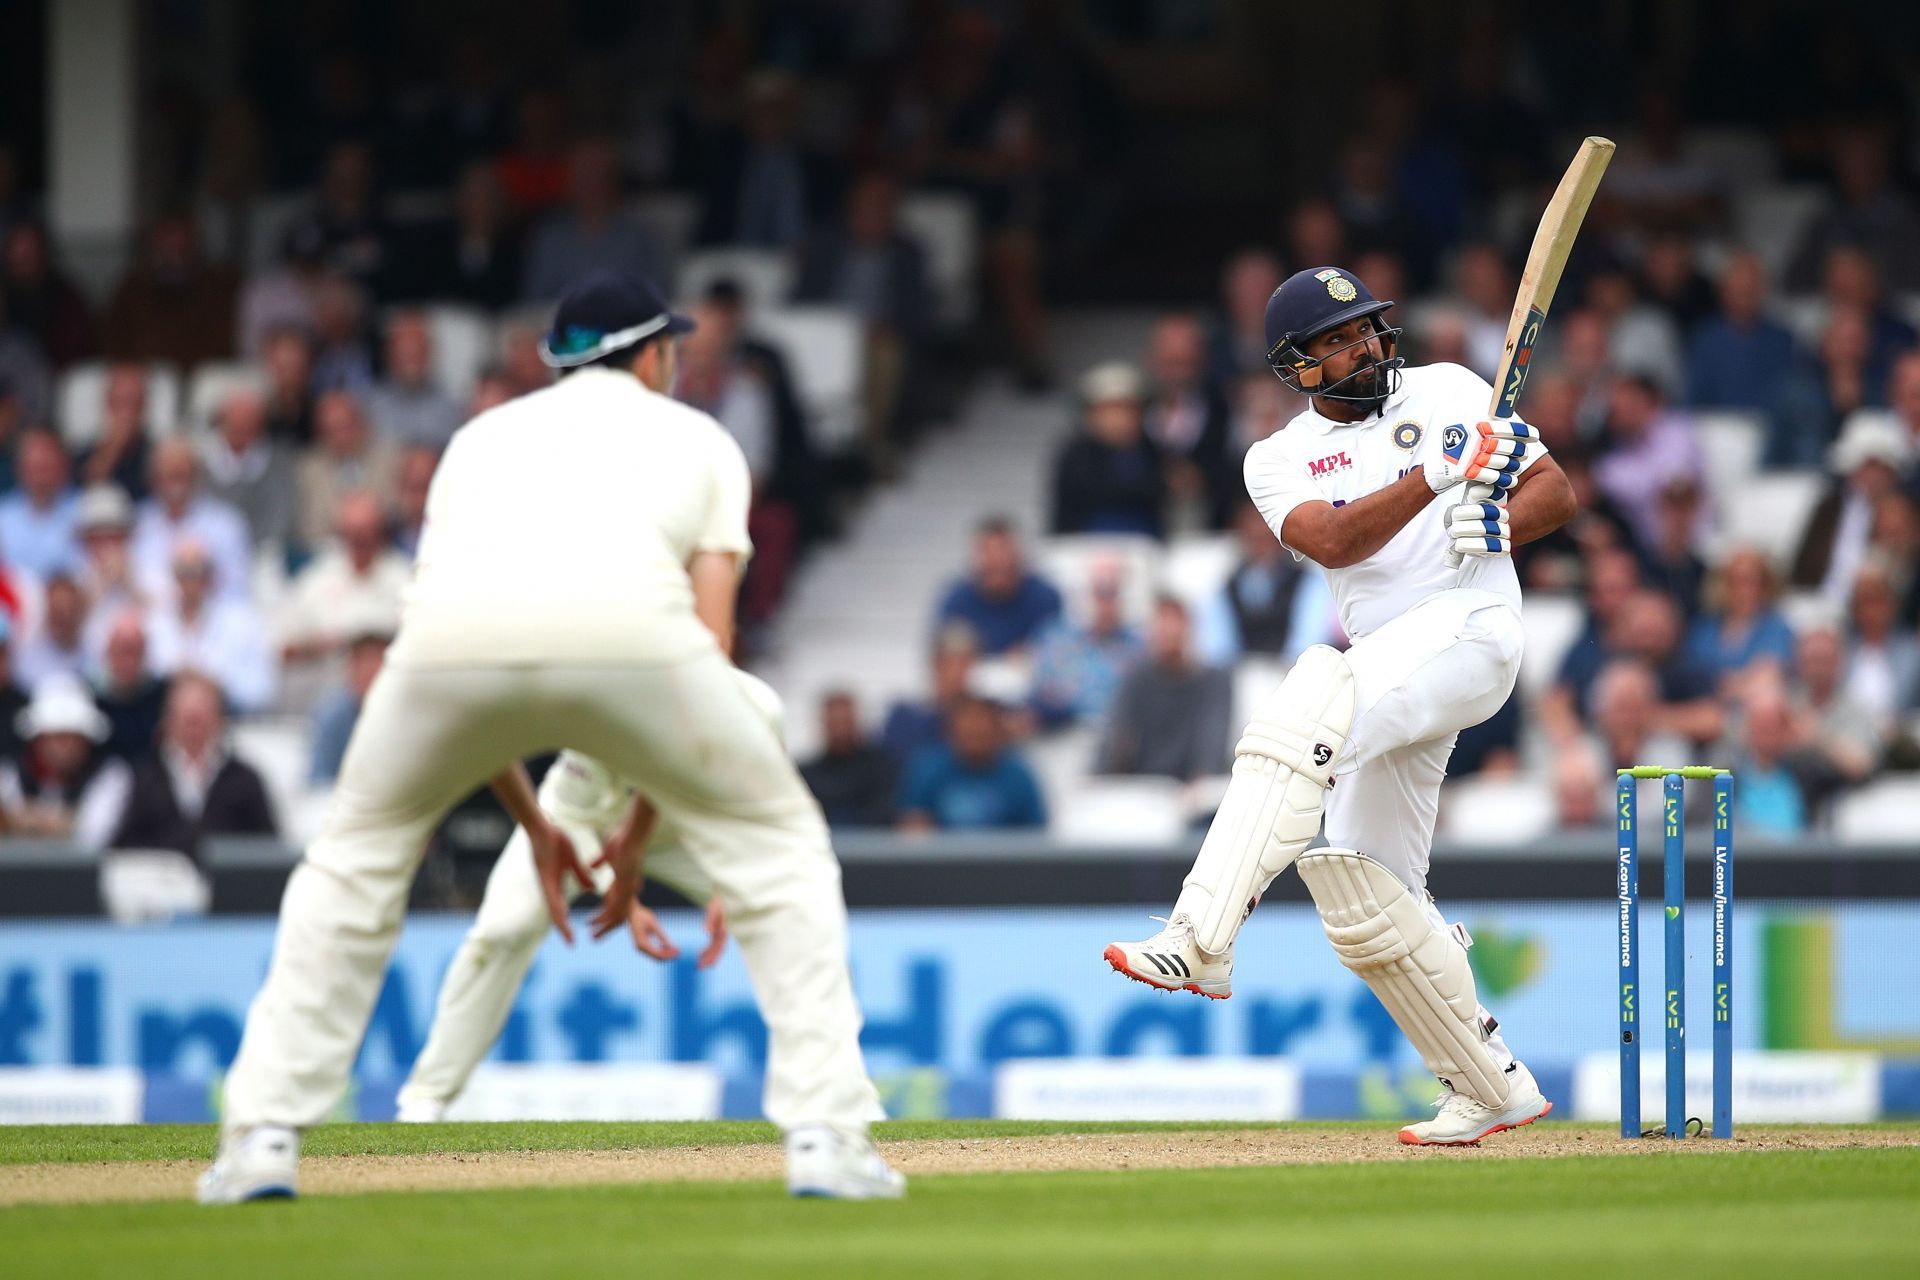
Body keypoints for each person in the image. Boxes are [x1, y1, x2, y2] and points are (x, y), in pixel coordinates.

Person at [198, 271, 902, 1204]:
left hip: (449, 654)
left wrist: (537, 824)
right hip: (637, 647)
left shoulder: (475, 440)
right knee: (784, 857)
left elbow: (469, 636)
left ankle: (260, 1139)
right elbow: (714, 639)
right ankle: (825, 1134)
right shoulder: (699, 438)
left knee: (352, 857)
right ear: (652, 354)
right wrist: (643, 831)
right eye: (673, 349)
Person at [1104, 263, 1578, 1146]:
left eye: (1364, 327)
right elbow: (1330, 537)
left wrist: (1503, 520)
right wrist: (1434, 482)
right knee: (1362, 891)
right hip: (1395, 667)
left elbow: (1554, 486)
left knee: (1314, 690)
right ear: (1296, 366)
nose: (1360, 346)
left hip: (1473, 629)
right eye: (1334, 340)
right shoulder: (1275, 458)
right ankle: (1489, 1085)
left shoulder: (1447, 387)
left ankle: (1201, 934)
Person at [395, 669, 783, 1125]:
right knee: (504, 929)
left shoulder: (759, 709)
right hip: (576, 827)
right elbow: (572, 818)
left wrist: (734, 881)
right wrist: (622, 898)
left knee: (785, 914)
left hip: (689, 835)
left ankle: (842, 1094)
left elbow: (762, 807)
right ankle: (427, 1097)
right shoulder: (603, 704)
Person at [109, 672, 277, 864]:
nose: (193, 721)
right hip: (160, 885)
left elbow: (268, 848)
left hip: (229, 885)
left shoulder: (245, 779)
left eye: (202, 713)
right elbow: (123, 846)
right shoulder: (145, 777)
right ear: (168, 720)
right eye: (186, 715)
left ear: (219, 718)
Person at [1095, 595, 1233, 783]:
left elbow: (1211, 746)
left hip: (1192, 794)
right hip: (1142, 791)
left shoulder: (1215, 682)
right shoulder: (1136, 680)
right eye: (1161, 621)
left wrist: (1200, 783)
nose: (1168, 630)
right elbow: (1115, 739)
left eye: (1175, 621)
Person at [0, 674, 130, 849]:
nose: (64, 747)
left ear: (86, 740)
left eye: (72, 736)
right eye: (56, 736)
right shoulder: (10, 773)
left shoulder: (111, 774)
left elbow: (94, 838)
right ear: (38, 739)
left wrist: (29, 820)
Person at [896, 694, 1046, 831]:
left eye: (981, 730)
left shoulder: (1019, 776)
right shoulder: (927, 769)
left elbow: (1034, 834)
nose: (975, 732)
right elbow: (912, 827)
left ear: (997, 732)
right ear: (951, 731)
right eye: (968, 730)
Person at [1049, 363, 1165, 538]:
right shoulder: (1076, 455)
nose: (1119, 418)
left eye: (1127, 408)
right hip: (1089, 549)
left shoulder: (1153, 450)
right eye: (1111, 409)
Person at [1028, 560, 1143, 729]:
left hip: (1120, 735)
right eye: (1099, 595)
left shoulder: (1140, 647)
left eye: (1112, 595)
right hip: (1061, 733)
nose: (1105, 606)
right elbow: (1041, 693)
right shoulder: (1054, 639)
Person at [932, 518, 1063, 656]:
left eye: (1002, 550)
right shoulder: (957, 600)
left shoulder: (1045, 597)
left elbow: (1059, 650)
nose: (996, 560)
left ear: (1019, 554)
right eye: (988, 551)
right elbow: (946, 655)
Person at [797, 691, 898, 829]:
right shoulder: (807, 774)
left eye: (845, 722)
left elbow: (882, 814)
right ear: (824, 724)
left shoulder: (882, 768)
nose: (840, 730)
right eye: (835, 722)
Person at [364, 311, 463, 451]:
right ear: (388, 353)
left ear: (430, 353)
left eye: (417, 353)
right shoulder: (367, 406)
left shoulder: (451, 407)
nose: (411, 363)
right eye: (404, 353)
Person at [0, 427, 80, 579]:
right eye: (34, 467)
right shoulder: (3, 515)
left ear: (64, 464)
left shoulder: (86, 510)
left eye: (46, 467)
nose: (40, 478)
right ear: (20, 468)